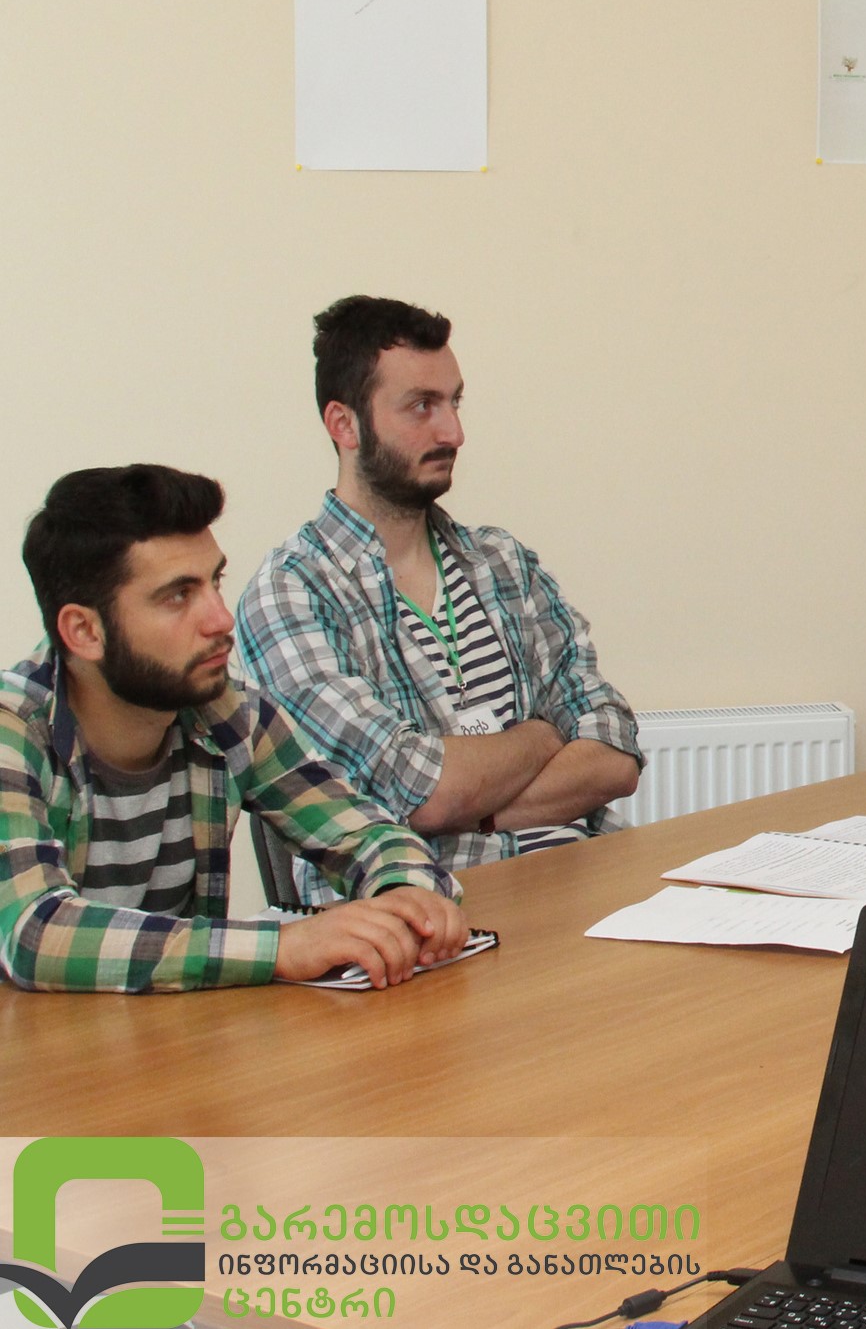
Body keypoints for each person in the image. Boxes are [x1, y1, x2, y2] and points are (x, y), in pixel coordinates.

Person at [0, 466, 467, 992]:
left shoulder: (225, 710)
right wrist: (282, 947)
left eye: (214, 582)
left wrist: (406, 894)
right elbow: (33, 933)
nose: (221, 618)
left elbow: (362, 832)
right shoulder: (14, 730)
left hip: (172, 1033)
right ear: (84, 631)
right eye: (178, 596)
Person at [237, 297, 643, 887]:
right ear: (344, 424)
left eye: (454, 402)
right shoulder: (291, 593)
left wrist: (473, 806)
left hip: (583, 884)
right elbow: (419, 793)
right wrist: (544, 733)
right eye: (421, 406)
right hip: (426, 912)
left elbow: (615, 749)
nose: (453, 431)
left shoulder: (503, 561)